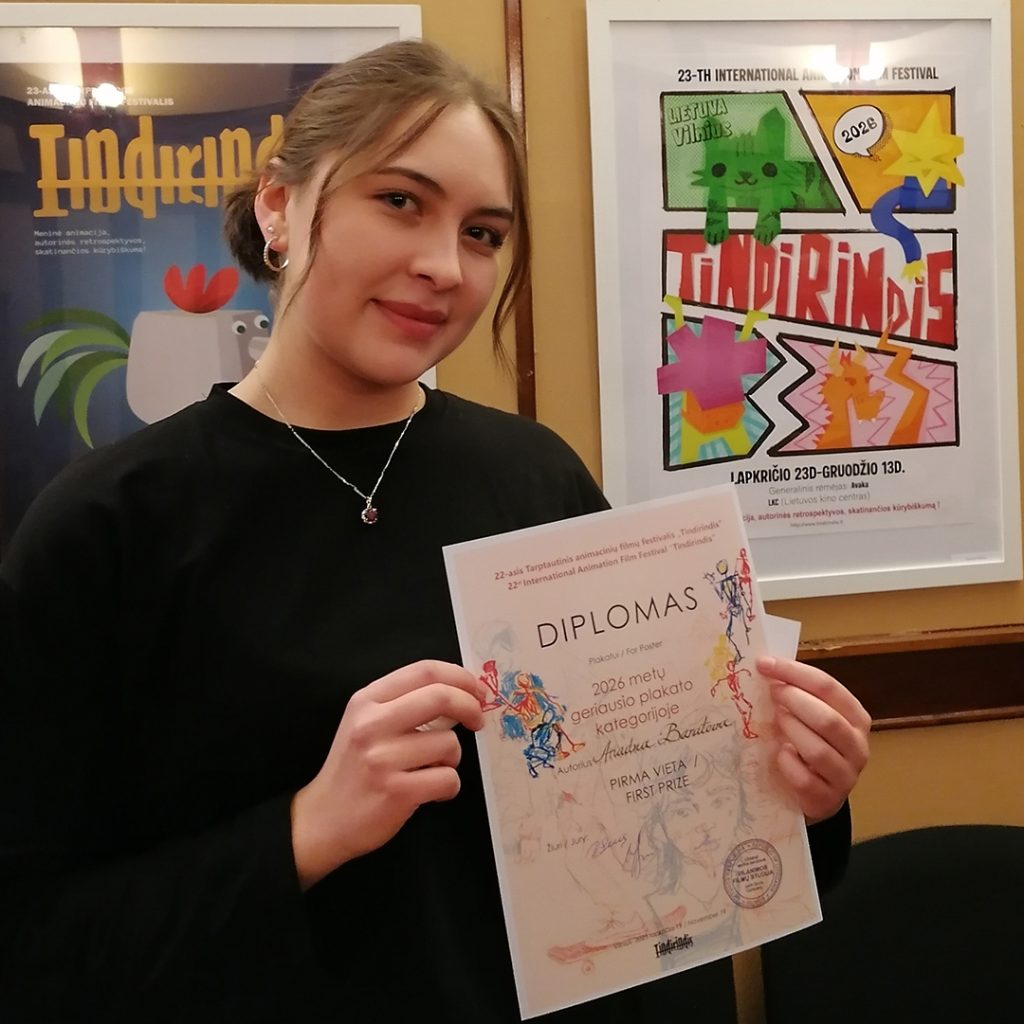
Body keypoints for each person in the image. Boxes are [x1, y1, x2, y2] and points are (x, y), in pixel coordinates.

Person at [0, 40, 871, 1023]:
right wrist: (305, 829)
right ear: (279, 205)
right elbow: (32, 943)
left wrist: (794, 789)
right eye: (400, 201)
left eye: (483, 233)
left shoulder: (533, 477)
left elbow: (653, 840)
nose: (442, 267)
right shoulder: (110, 524)